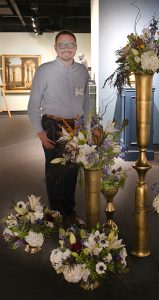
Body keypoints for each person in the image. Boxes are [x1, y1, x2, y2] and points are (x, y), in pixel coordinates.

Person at [28, 30, 90, 227]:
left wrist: (85, 128)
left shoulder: (82, 71)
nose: (66, 48)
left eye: (70, 44)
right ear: (55, 48)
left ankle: (70, 212)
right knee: (54, 170)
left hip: (76, 126)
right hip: (52, 124)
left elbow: (87, 102)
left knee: (72, 170)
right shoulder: (45, 70)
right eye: (62, 45)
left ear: (76, 47)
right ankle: (55, 214)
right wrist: (40, 132)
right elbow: (33, 104)